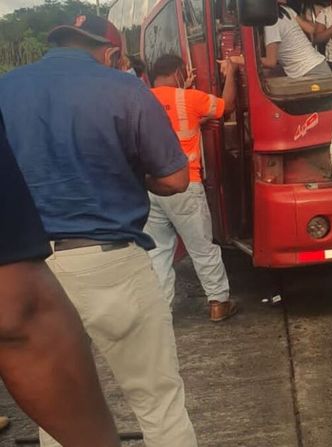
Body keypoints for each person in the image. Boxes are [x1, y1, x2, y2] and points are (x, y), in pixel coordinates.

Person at [0, 15, 199, 446]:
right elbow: (175, 180)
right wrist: (125, 172)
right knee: (159, 404)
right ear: (111, 53)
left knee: (61, 414)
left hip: (32, 271)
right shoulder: (125, 88)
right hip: (111, 262)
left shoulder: (5, 89)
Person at [0, 115, 121, 447]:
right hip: (113, 250)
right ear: (111, 57)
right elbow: (15, 311)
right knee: (158, 393)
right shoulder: (120, 91)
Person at [146, 54, 240, 321]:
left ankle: (162, 312)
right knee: (202, 247)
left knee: (159, 251)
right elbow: (228, 105)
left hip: (150, 187)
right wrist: (231, 72)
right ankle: (218, 303)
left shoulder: (138, 100)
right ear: (178, 72)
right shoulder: (189, 99)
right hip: (185, 185)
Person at [263, 0, 331, 78]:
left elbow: (270, 62)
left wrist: (249, 60)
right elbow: (311, 29)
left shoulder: (271, 24)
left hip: (309, 73)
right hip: (320, 65)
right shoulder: (286, 11)